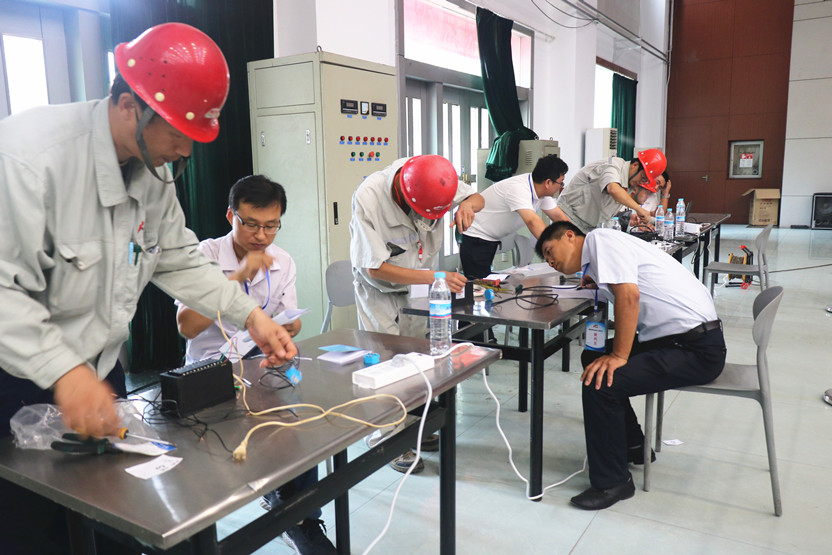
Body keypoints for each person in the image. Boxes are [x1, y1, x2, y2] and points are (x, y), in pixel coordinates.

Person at [0, 23, 296, 554]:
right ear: (128, 105)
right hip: (18, 376)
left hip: (97, 370)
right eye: (177, 132)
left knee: (114, 516)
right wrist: (65, 373)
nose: (185, 150)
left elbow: (178, 260)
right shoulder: (26, 159)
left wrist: (252, 316)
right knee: (35, 529)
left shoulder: (152, 171)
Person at [175, 175, 334, 554]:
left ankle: (301, 518)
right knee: (212, 457)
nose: (261, 236)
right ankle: (202, 535)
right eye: (251, 224)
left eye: (271, 226)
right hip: (210, 370)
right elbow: (187, 326)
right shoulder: (205, 255)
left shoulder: (283, 261)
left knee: (295, 427)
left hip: (261, 363)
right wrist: (239, 275)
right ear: (231, 215)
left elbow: (292, 321)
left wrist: (287, 326)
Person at [535, 221, 726, 510]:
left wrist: (620, 356)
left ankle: (613, 482)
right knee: (593, 358)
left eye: (550, 251)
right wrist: (599, 284)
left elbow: (629, 296)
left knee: (600, 383)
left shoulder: (599, 239)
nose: (551, 261)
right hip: (680, 338)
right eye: (546, 259)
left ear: (570, 236)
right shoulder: (601, 254)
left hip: (694, 348)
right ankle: (633, 445)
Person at [350, 154, 484, 472]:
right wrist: (435, 277)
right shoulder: (370, 197)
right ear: (404, 193)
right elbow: (374, 267)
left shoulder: (436, 177)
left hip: (420, 287)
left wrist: (468, 205)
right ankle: (387, 439)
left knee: (417, 359)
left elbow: (479, 198)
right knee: (385, 364)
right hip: (380, 292)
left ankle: (414, 427)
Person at [459, 154, 569, 279]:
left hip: (490, 237)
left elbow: (561, 219)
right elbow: (532, 222)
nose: (561, 187)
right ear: (548, 182)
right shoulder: (518, 188)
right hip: (476, 236)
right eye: (561, 183)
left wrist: (577, 243)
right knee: (479, 284)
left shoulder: (542, 193)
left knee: (488, 282)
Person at [548, 149, 667, 234]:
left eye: (645, 181)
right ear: (635, 165)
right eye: (643, 177)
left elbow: (603, 208)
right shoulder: (613, 166)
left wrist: (626, 218)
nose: (641, 182)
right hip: (567, 218)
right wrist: (638, 208)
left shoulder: (627, 183)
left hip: (587, 227)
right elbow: (613, 189)